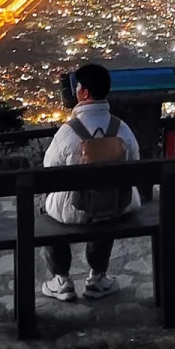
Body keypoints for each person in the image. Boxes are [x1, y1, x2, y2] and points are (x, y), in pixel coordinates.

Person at [40, 62, 140, 302]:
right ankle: (97, 277)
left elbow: (48, 169)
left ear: (84, 93)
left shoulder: (68, 132)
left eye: (78, 88)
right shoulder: (122, 129)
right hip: (117, 206)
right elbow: (136, 162)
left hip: (74, 210)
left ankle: (61, 280)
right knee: (106, 204)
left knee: (45, 207)